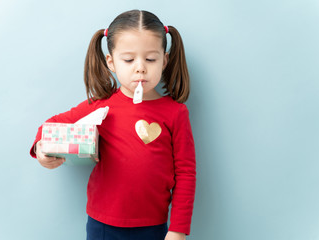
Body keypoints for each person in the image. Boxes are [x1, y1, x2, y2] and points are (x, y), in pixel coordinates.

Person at [30, 9, 196, 240]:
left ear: (164, 60)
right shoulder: (101, 107)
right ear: (111, 62)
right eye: (129, 60)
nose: (140, 67)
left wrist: (178, 229)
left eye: (150, 59)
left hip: (154, 226)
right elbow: (52, 125)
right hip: (102, 224)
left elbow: (186, 173)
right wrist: (41, 147)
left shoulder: (175, 112)